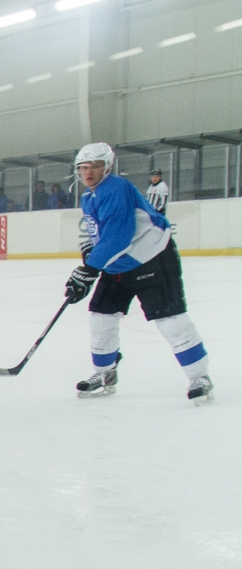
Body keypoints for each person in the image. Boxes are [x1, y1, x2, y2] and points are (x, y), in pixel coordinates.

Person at [67, 143, 212, 404]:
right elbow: (99, 234)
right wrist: (89, 253)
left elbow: (118, 237)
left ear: (107, 167)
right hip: (119, 266)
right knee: (100, 317)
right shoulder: (88, 197)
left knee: (171, 320)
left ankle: (200, 377)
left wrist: (88, 270)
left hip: (151, 257)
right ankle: (105, 373)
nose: (88, 173)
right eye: (83, 168)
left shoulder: (116, 188)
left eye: (95, 166)